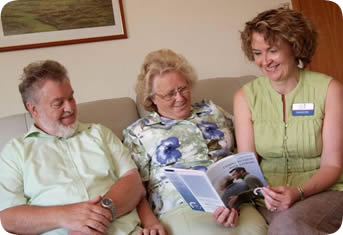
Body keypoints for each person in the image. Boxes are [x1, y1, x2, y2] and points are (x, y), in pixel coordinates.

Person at [123, 49, 268, 235]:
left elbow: (248, 143)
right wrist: (150, 223)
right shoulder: (138, 133)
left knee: (257, 231)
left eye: (183, 88)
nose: (180, 98)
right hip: (182, 208)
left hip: (234, 201)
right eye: (169, 94)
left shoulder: (212, 110)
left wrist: (235, 201)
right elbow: (136, 191)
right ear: (151, 98)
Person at [0, 60, 146, 235]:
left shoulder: (99, 134)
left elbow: (133, 182)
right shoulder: (15, 152)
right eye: (58, 103)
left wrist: (97, 216)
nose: (69, 107)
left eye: (71, 98)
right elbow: (9, 217)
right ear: (34, 109)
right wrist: (66, 216)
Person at [234, 7, 343, 234]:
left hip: (325, 191)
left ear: (294, 47)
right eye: (257, 53)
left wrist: (298, 192)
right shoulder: (245, 97)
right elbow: (248, 164)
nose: (265, 61)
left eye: (272, 50)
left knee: (286, 225)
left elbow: (333, 166)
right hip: (268, 197)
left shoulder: (330, 90)